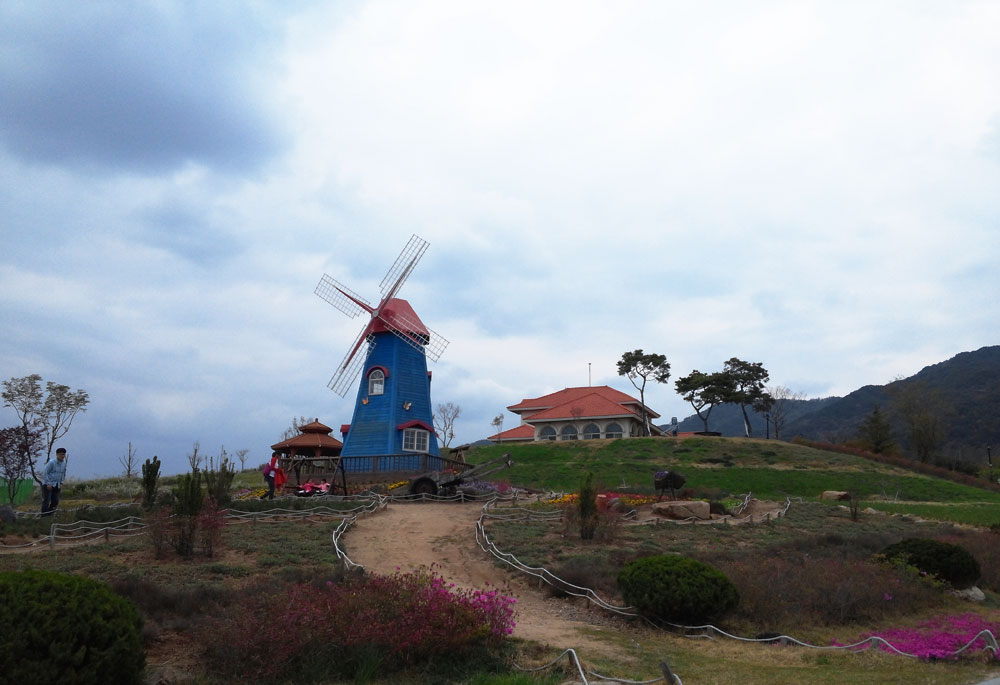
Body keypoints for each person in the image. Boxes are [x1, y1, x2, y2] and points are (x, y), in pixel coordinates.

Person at [41, 447, 68, 515]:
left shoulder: (64, 464)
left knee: (55, 501)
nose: (62, 456)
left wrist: (61, 482)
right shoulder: (52, 462)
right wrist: (48, 483)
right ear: (57, 454)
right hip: (48, 484)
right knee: (47, 500)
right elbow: (45, 473)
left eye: (63, 454)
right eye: (61, 454)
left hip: (57, 484)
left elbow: (62, 473)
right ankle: (43, 515)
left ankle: (50, 514)